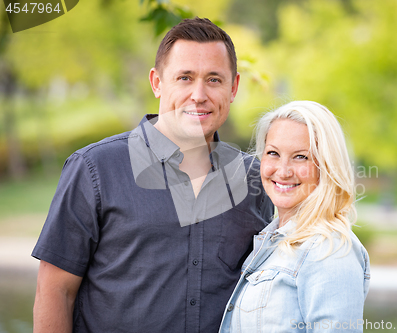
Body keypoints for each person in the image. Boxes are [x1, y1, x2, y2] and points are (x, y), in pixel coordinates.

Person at [32, 18, 273, 333]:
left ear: (234, 87)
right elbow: (55, 291)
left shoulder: (256, 180)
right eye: (184, 78)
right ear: (157, 82)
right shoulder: (94, 169)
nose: (198, 94)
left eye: (214, 79)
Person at [219, 101, 371, 332]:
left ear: (327, 166)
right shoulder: (270, 242)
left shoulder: (329, 250)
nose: (283, 171)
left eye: (301, 157)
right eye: (273, 153)